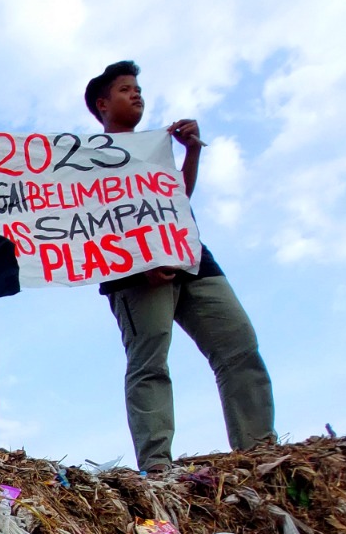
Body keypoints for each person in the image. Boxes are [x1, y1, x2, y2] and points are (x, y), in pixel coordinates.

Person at [84, 61, 275, 473]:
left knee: (239, 346)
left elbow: (177, 197)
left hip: (191, 258)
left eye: (137, 87)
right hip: (136, 275)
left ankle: (259, 451)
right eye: (124, 89)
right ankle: (157, 465)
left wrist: (190, 151)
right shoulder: (86, 160)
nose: (136, 94)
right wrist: (140, 264)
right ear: (102, 104)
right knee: (150, 362)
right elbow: (86, 225)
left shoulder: (154, 149)